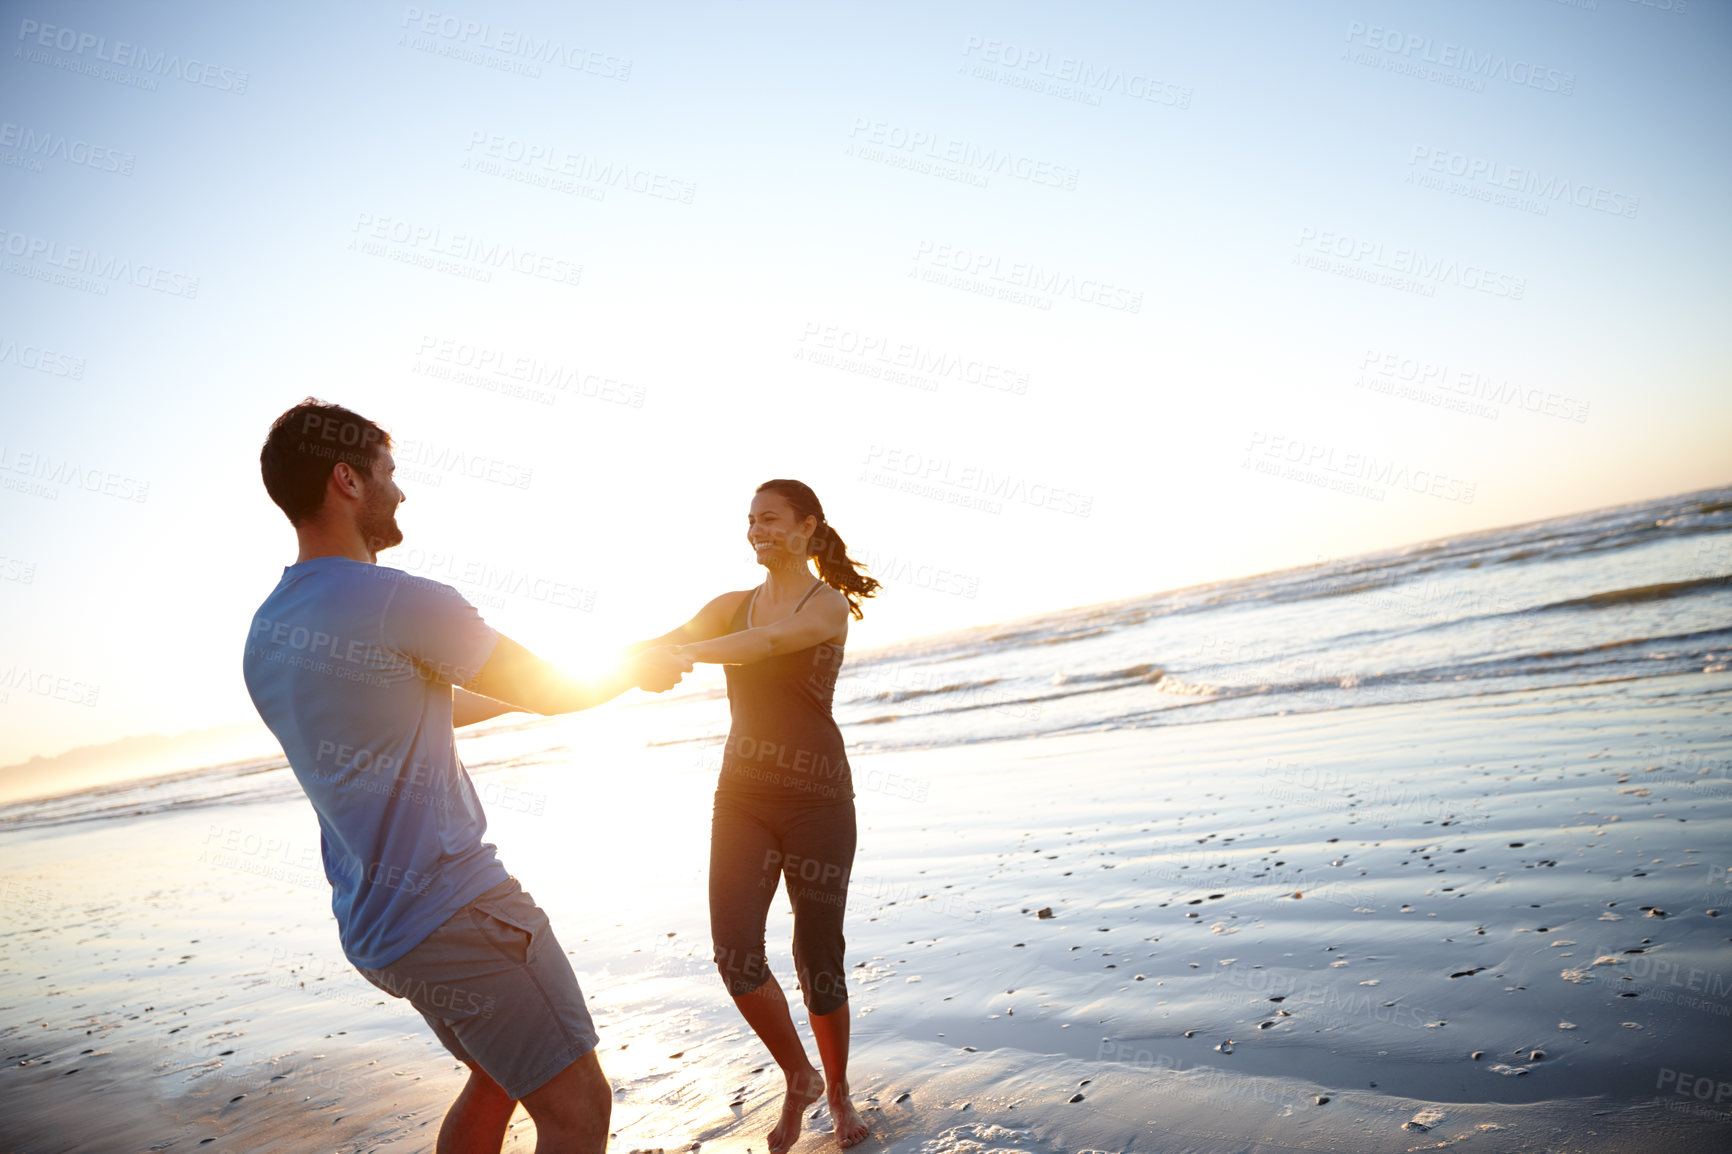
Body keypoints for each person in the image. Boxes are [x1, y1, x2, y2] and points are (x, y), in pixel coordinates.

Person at [242, 398, 690, 1154]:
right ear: (346, 480)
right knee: (577, 1103)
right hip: (460, 909)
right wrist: (632, 669)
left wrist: (612, 671)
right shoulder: (398, 600)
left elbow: (411, 707)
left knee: (498, 1075)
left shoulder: (269, 632)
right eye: (389, 472)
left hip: (380, 928)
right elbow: (547, 687)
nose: (402, 491)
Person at [633, 479, 881, 1152]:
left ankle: (838, 1089)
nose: (756, 529)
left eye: (770, 519)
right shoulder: (727, 607)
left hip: (817, 796)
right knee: (735, 952)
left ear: (807, 527)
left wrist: (683, 654)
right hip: (740, 795)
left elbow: (771, 644)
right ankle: (798, 1076)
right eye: (750, 520)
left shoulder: (825, 605)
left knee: (816, 953)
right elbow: (652, 647)